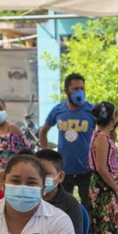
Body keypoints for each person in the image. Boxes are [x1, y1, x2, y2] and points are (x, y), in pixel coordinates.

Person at [39, 73, 94, 212]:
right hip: (64, 170)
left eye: (81, 88)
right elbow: (43, 132)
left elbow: (107, 133)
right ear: (66, 91)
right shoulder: (58, 110)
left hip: (86, 170)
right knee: (63, 207)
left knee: (89, 207)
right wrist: (46, 154)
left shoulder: (92, 111)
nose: (79, 92)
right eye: (75, 89)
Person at [87, 101, 118, 234]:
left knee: (107, 227)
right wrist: (117, 188)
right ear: (113, 118)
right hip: (103, 187)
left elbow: (112, 164)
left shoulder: (105, 137)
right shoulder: (101, 138)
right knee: (107, 228)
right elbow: (102, 168)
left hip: (107, 185)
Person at [35, 149, 85, 234]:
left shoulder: (70, 205)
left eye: (47, 173)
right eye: (36, 173)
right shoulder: (26, 201)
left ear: (60, 177)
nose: (40, 178)